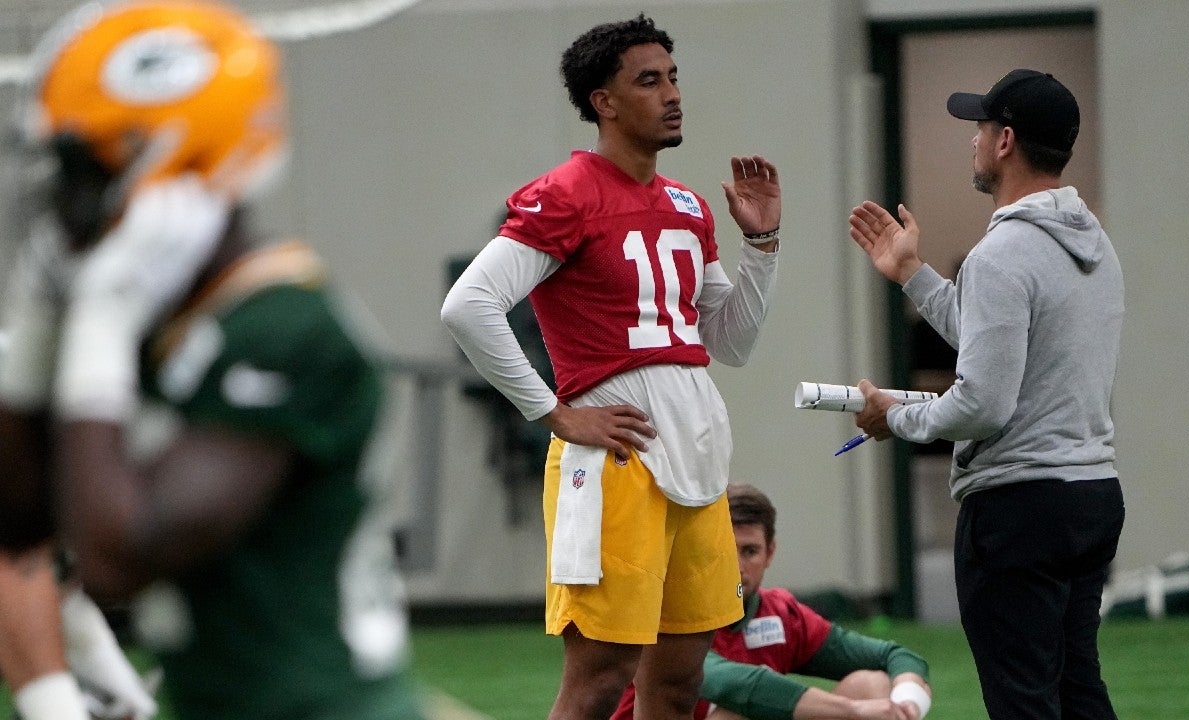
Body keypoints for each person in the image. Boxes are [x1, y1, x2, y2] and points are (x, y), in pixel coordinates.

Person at [0, 2, 424, 719]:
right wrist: (38, 338)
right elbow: (15, 521)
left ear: (178, 158)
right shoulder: (167, 315)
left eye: (80, 166)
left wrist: (98, 328)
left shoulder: (284, 326)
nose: (61, 197)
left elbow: (116, 558)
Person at [440, 13, 782, 720]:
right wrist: (554, 412)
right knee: (598, 683)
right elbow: (468, 306)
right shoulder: (565, 192)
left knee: (681, 683)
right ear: (605, 101)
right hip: (618, 461)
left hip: (695, 450)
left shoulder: (688, 205)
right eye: (649, 81)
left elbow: (733, 341)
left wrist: (764, 245)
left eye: (674, 77)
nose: (672, 94)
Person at [848, 69, 1125, 720]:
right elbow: (992, 342)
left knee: (1022, 703)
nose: (971, 141)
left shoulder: (1001, 254)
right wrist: (912, 274)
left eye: (978, 127)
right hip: (1091, 498)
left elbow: (983, 404)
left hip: (1018, 511)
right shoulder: (1096, 245)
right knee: (1078, 692)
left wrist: (899, 416)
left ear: (1004, 141)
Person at [611, 482, 933, 720]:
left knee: (871, 685)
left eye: (749, 551)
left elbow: (896, 656)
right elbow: (735, 686)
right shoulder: (667, 614)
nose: (736, 566)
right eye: (723, 551)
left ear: (770, 553)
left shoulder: (781, 614)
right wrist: (853, 711)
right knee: (736, 714)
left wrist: (906, 704)